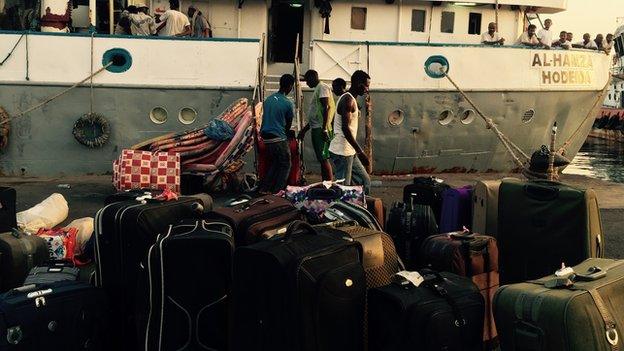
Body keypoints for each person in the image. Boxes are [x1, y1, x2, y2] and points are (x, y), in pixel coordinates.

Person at [329, 70, 371, 194]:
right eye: (366, 85)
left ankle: (362, 209)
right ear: (358, 84)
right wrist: (361, 152)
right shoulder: (348, 100)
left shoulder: (351, 99)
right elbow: (345, 129)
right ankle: (336, 211)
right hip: (342, 152)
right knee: (342, 189)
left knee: (365, 181)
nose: (367, 89)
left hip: (349, 151)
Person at [258, 74, 296, 194]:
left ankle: (265, 188)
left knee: (276, 162)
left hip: (265, 137)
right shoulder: (288, 103)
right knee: (286, 164)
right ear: (290, 86)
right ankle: (278, 191)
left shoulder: (268, 100)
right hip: (277, 137)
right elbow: (288, 125)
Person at [297, 70, 336, 181]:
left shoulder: (322, 87)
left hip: (321, 129)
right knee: (321, 159)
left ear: (313, 78)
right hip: (317, 127)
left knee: (324, 159)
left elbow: (326, 107)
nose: (307, 83)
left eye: (307, 81)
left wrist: (324, 129)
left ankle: (328, 185)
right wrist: (304, 130)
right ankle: (325, 183)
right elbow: (317, 113)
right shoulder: (318, 89)